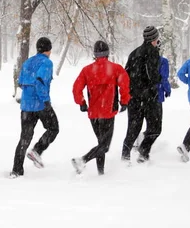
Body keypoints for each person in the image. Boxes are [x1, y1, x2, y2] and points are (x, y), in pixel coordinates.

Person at [71, 40, 130, 175]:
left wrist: (82, 103)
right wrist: (124, 101)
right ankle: (82, 160)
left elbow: (76, 88)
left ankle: (100, 173)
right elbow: (124, 85)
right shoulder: (116, 69)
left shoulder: (87, 70)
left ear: (95, 54)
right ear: (108, 53)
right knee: (104, 146)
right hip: (108, 112)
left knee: (100, 143)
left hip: (94, 113)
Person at [10, 37, 59, 178]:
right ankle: (37, 150)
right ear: (48, 49)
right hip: (40, 104)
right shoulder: (47, 63)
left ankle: (16, 170)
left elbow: (20, 82)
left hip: (26, 106)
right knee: (54, 128)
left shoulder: (27, 62)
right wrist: (46, 101)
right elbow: (40, 82)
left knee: (25, 138)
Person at [122, 25, 163, 163]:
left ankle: (125, 157)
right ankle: (143, 153)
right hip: (149, 97)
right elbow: (152, 76)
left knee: (133, 130)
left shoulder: (133, 53)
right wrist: (158, 80)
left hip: (133, 97)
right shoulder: (153, 53)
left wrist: (129, 93)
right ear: (154, 39)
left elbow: (125, 74)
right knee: (155, 128)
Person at [133, 53, 171, 149]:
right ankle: (144, 149)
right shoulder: (162, 61)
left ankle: (141, 140)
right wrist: (167, 90)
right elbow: (164, 78)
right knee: (156, 126)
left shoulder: (140, 60)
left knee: (149, 123)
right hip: (155, 96)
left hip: (142, 96)